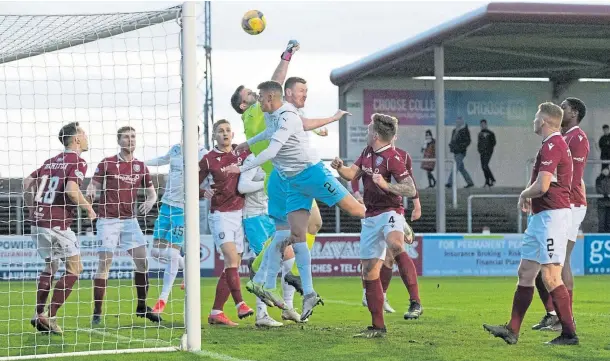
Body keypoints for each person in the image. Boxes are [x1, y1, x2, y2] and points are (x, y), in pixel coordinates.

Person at [228, 81, 365, 321]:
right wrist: (246, 144)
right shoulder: (272, 115)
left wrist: (240, 167)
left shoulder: (288, 117)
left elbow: (271, 150)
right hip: (291, 180)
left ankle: (392, 215)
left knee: (356, 210)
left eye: (260, 97)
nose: (259, 101)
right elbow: (268, 133)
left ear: (271, 97)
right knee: (295, 235)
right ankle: (307, 292)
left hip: (312, 174)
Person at [483, 102, 578, 346]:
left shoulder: (553, 145)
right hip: (542, 217)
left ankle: (569, 334)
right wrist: (528, 196)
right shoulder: (551, 144)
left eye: (536, 116)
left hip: (552, 217)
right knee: (526, 272)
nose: (533, 120)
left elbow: (543, 186)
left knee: (550, 276)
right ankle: (512, 330)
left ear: (544, 120)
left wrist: (524, 194)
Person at [331, 113, 417, 338]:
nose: (367, 131)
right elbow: (351, 173)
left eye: (369, 128)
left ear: (376, 134)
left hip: (390, 211)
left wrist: (387, 185)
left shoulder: (393, 158)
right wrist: (340, 168)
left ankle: (415, 301)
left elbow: (409, 189)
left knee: (395, 245)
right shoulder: (367, 152)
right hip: (370, 217)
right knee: (369, 271)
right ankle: (378, 327)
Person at [23, 122, 95, 334]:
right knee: (75, 269)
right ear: (77, 139)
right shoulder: (78, 161)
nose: (87, 136)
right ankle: (50, 317)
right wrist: (90, 209)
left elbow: (27, 182)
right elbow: (72, 191)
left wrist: (31, 208)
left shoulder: (50, 161)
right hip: (58, 223)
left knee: (50, 268)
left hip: (37, 223)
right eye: (84, 133)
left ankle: (38, 313)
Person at [86, 126, 159, 325]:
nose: (130, 140)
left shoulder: (141, 166)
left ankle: (142, 307)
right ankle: (97, 311)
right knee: (105, 265)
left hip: (129, 221)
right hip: (107, 220)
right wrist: (91, 192)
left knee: (143, 263)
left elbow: (152, 193)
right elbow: (93, 184)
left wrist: (151, 201)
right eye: (126, 137)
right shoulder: (107, 163)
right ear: (119, 141)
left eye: (133, 136)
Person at [531, 98, 588, 332]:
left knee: (560, 263)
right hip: (560, 204)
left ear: (573, 112)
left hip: (570, 205)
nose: (560, 109)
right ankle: (554, 314)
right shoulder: (562, 138)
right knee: (540, 268)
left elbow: (573, 177)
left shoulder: (578, 138)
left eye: (564, 107)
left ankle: (566, 320)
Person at [353, 138, 421, 318]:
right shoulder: (368, 153)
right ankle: (367, 295)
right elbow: (355, 175)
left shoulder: (402, 156)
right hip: (371, 211)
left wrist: (417, 203)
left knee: (392, 254)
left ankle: (385, 297)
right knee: (370, 260)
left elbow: (410, 182)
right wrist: (357, 193)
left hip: (392, 210)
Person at [145, 126, 209, 316]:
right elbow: (161, 160)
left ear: (197, 135)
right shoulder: (175, 149)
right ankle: (187, 267)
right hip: (166, 205)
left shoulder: (202, 153)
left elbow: (207, 174)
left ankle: (162, 300)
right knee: (155, 252)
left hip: (183, 209)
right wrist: (139, 163)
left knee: (172, 255)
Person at [199, 119, 254, 326]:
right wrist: (204, 191)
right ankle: (240, 304)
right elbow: (191, 184)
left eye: (228, 130)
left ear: (232, 134)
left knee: (233, 265)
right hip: (220, 214)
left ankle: (216, 312)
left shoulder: (241, 153)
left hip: (240, 214)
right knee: (231, 260)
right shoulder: (208, 159)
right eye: (220, 131)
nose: (225, 134)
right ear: (214, 136)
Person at [446, 117, 474, 188]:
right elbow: (453, 140)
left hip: (461, 152)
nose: (458, 122)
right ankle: (470, 182)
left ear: (462, 122)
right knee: (461, 168)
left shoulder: (465, 130)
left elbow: (468, 141)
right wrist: (451, 146)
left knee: (455, 167)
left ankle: (450, 182)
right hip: (455, 151)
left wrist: (462, 147)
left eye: (459, 121)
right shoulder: (454, 130)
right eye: (457, 121)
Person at [477, 119, 497, 187]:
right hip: (482, 152)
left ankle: (493, 179)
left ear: (486, 124)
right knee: (483, 167)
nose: (482, 126)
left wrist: (489, 149)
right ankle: (487, 181)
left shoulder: (490, 133)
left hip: (488, 152)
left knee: (485, 166)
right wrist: (479, 150)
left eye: (483, 124)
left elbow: (494, 142)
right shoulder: (480, 133)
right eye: (481, 125)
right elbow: (479, 143)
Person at [596, 168, 610, 232]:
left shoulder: (600, 179)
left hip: (607, 203)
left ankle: (607, 237)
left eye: (607, 169)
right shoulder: (599, 179)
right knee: (601, 222)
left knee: (608, 222)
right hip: (602, 203)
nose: (606, 171)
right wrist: (606, 194)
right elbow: (598, 189)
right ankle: (601, 237)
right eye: (605, 169)